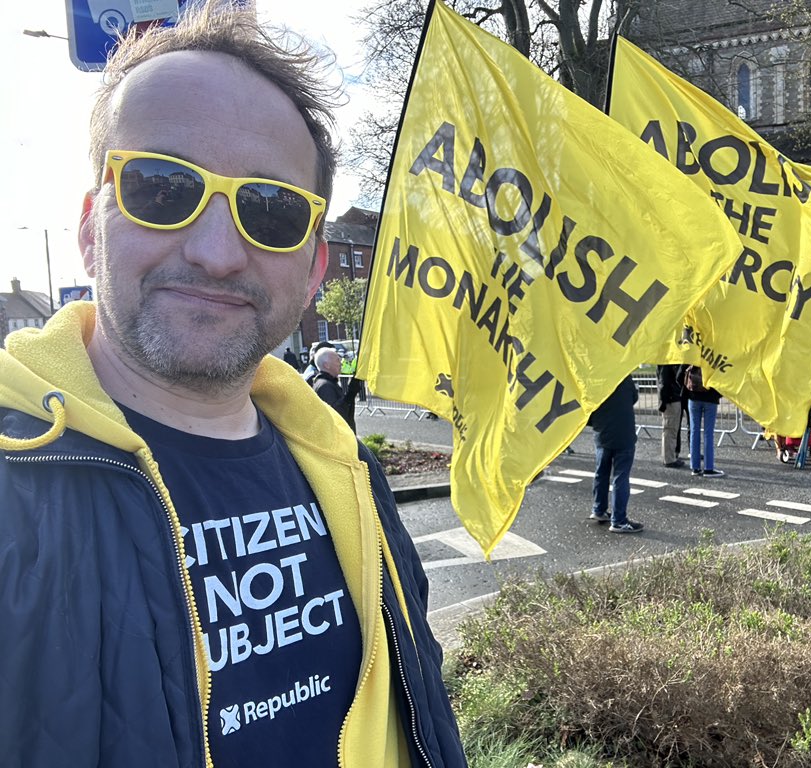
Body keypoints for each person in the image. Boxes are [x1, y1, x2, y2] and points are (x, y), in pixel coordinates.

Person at [0, 4, 466, 767]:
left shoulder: (346, 467)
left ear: (315, 267)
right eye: (161, 187)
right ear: (92, 226)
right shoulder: (15, 495)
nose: (217, 252)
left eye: (271, 210)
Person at [588, 376, 644, 533]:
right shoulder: (622, 373)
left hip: (602, 430)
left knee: (601, 471)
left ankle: (599, 510)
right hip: (623, 430)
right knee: (621, 475)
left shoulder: (595, 375)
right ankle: (619, 520)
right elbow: (634, 396)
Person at [686, 365, 725, 477]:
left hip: (693, 397)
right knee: (708, 433)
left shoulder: (693, 355)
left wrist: (688, 392)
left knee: (694, 431)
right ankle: (708, 468)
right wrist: (717, 394)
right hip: (710, 397)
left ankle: (695, 467)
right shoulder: (713, 357)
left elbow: (680, 374)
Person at [312, 346, 357, 433]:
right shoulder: (325, 386)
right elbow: (337, 416)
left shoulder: (326, 383)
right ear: (326, 365)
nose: (341, 363)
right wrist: (351, 393)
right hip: (338, 439)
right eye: (337, 360)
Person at [657, 363, 687, 467]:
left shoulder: (665, 364)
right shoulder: (666, 364)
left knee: (670, 430)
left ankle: (668, 456)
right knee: (670, 430)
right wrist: (664, 401)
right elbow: (664, 383)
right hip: (671, 400)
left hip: (670, 399)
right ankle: (669, 459)